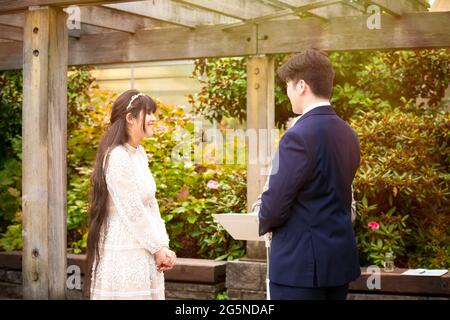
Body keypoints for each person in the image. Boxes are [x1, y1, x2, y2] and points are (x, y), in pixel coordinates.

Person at [258, 49, 361, 300]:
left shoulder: (297, 135)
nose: (288, 93)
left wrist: (262, 218)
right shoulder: (348, 133)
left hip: (300, 266)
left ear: (302, 85)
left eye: (289, 86)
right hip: (338, 264)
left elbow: (276, 201)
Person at [85, 89, 176, 300]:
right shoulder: (117, 156)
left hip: (145, 248)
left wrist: (162, 245)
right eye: (149, 113)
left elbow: (150, 205)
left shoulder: (139, 153)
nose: (154, 119)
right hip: (125, 251)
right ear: (130, 118)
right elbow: (132, 209)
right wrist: (157, 248)